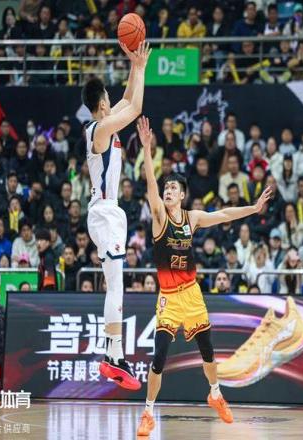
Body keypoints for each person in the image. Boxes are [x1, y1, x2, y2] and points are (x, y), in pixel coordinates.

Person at [136, 115, 272, 435]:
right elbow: (151, 187)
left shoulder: (192, 218)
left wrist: (253, 209)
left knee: (208, 350)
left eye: (173, 187)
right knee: (159, 356)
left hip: (191, 293)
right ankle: (148, 412)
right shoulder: (159, 218)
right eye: (166, 187)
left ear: (182, 195)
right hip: (169, 298)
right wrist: (146, 149)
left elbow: (223, 214)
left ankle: (215, 394)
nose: (168, 191)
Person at [81, 40, 150, 391]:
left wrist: (136, 66)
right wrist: (141, 68)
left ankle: (115, 355)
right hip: (105, 212)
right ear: (102, 104)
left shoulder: (106, 124)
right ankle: (114, 356)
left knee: (116, 284)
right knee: (116, 286)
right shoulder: (100, 130)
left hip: (108, 213)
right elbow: (135, 107)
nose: (113, 100)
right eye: (108, 98)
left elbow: (127, 99)